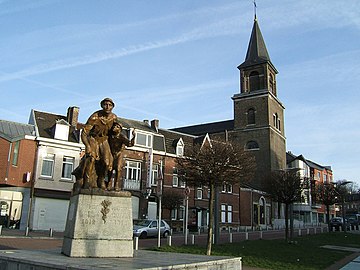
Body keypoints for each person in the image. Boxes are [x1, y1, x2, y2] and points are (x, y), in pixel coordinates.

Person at [73, 98, 117, 190]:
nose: (107, 107)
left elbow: (115, 132)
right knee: (91, 158)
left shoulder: (113, 118)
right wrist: (87, 146)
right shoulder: (95, 117)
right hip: (93, 138)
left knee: (107, 162)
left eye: (110, 105)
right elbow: (84, 133)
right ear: (102, 106)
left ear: (112, 107)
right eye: (105, 104)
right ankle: (86, 181)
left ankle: (101, 180)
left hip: (104, 139)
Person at [108, 121, 136, 191]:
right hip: (111, 153)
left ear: (120, 129)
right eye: (114, 126)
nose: (114, 127)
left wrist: (134, 136)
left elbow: (130, 144)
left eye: (117, 127)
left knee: (118, 168)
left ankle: (116, 184)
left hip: (119, 154)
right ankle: (108, 183)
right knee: (109, 168)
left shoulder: (122, 137)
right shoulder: (109, 136)